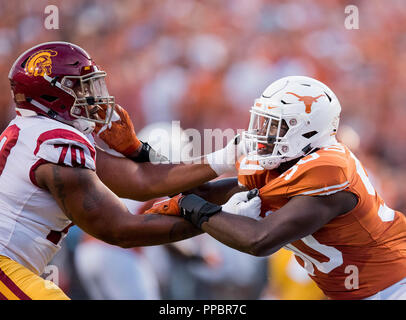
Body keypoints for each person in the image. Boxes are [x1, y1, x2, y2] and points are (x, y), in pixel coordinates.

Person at [0, 41, 243, 300]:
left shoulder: (38, 132)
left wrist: (230, 157)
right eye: (82, 87)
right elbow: (119, 229)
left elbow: (140, 181)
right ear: (53, 94)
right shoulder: (54, 141)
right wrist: (219, 221)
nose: (92, 96)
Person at [150, 76, 406, 300]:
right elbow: (205, 193)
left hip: (394, 286)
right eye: (263, 122)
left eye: (275, 125)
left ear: (308, 130)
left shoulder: (328, 171)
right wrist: (148, 162)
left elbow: (259, 239)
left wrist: (190, 208)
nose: (263, 133)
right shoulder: (284, 166)